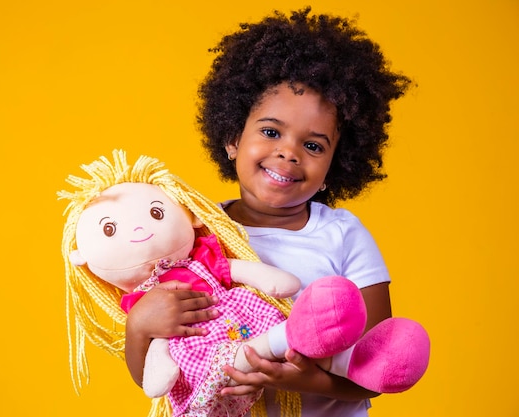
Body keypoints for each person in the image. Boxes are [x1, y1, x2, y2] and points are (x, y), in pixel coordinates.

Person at [125, 6, 413, 417]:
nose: (288, 152)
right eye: (271, 131)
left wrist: (298, 379)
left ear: (336, 165)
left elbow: (377, 369)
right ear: (231, 140)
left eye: (313, 146)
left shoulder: (343, 235)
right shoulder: (196, 232)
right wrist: (139, 326)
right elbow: (157, 381)